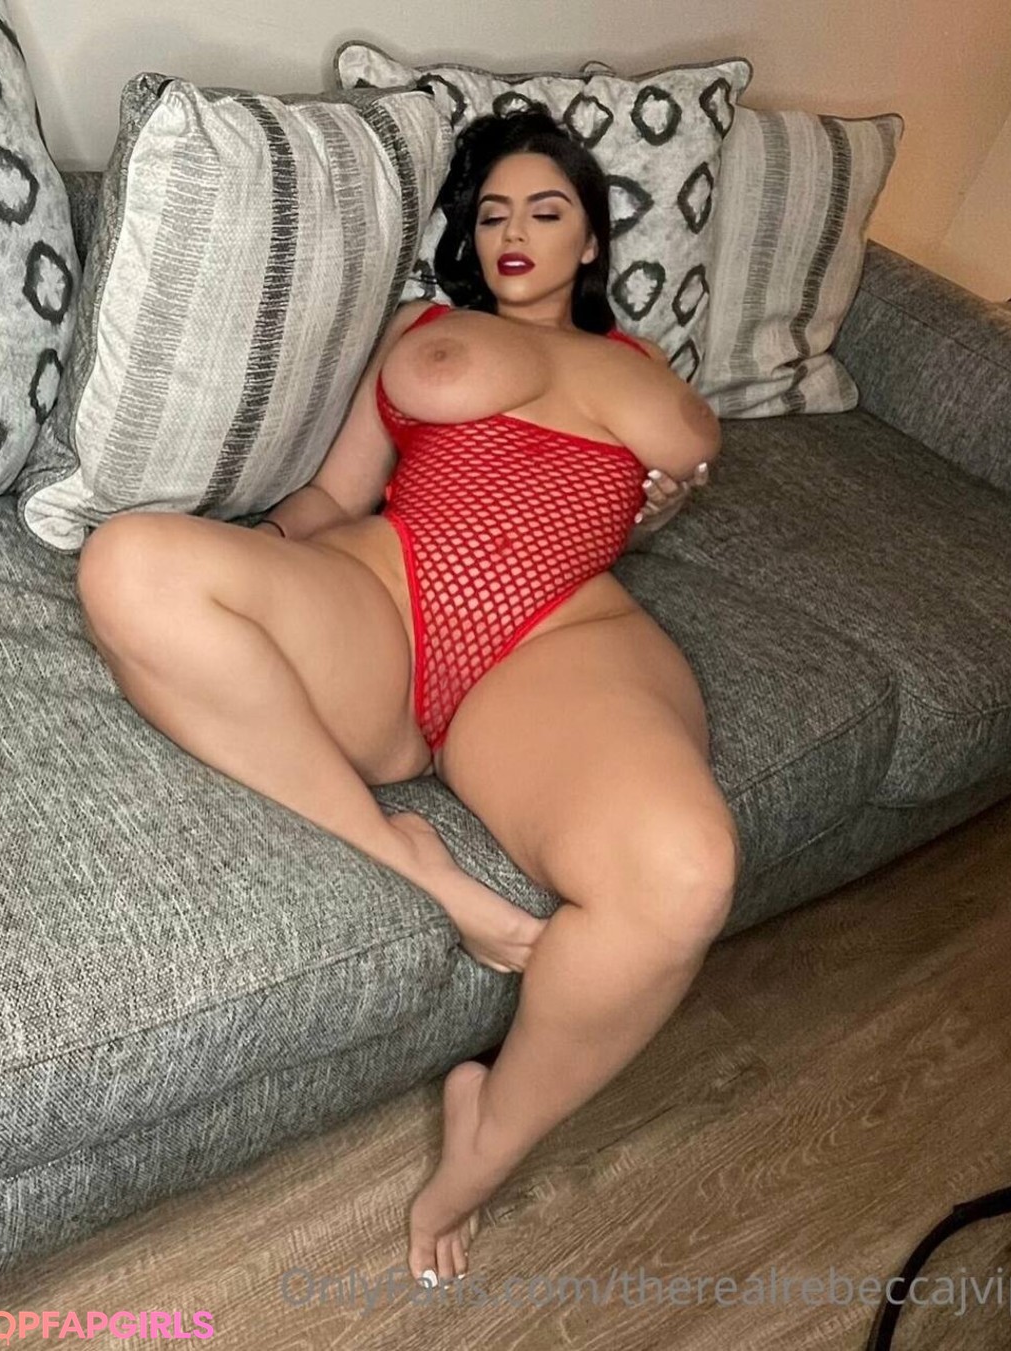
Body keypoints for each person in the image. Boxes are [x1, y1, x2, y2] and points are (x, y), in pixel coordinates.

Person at [75, 104, 739, 1290]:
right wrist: (254, 571)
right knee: (128, 562)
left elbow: (617, 504)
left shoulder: (643, 366)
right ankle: (404, 853)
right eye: (492, 214)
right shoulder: (429, 328)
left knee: (684, 872)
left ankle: (485, 1145)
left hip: (559, 642)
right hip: (384, 597)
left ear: (591, 238)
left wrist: (660, 506)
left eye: (546, 210)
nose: (513, 234)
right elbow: (336, 498)